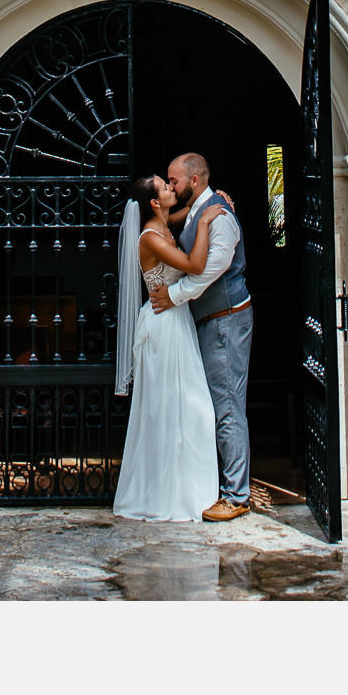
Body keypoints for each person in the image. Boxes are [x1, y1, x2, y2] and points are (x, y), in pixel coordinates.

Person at [112, 174, 223, 522]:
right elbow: (194, 266)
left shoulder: (163, 223)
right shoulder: (150, 237)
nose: (172, 188)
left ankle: (187, 490)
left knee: (188, 411)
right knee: (171, 411)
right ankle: (167, 496)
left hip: (177, 322)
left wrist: (209, 201)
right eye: (165, 186)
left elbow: (182, 213)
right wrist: (206, 221)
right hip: (163, 327)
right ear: (154, 203)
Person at [150, 151, 252, 522]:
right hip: (210, 319)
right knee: (214, 405)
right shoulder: (201, 209)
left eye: (174, 181)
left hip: (226, 319)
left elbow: (210, 271)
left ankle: (237, 496)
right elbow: (174, 219)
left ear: (194, 181)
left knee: (227, 407)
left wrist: (173, 297)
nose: (171, 186)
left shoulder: (220, 217)